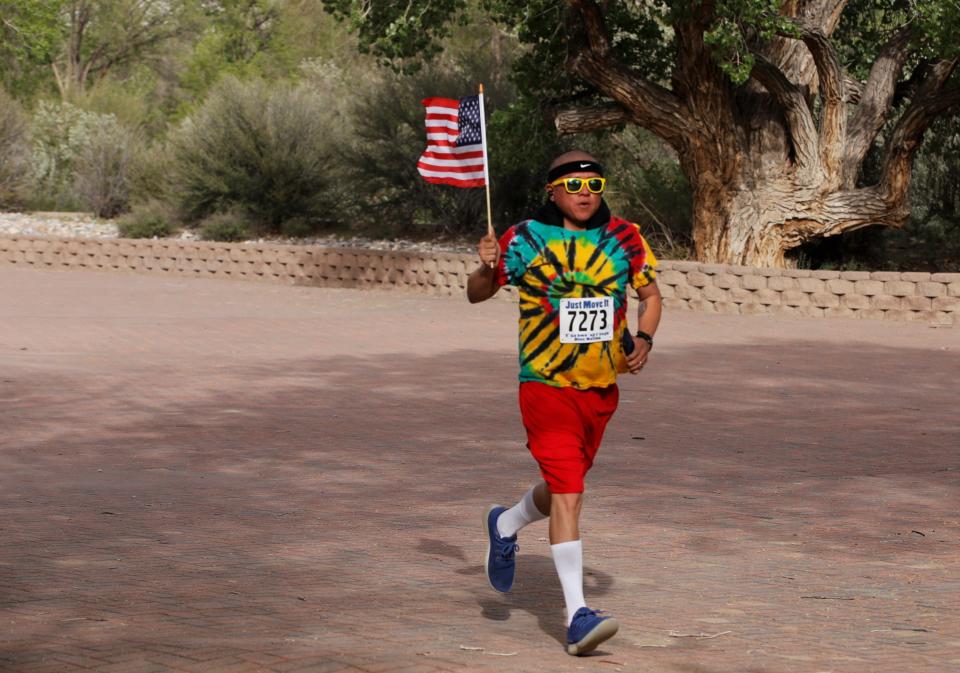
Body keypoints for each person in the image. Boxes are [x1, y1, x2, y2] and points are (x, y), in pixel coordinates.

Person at [467, 150, 662, 656]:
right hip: (545, 385)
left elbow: (651, 296)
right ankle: (576, 616)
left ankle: (505, 523)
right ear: (552, 190)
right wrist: (486, 266)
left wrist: (644, 340)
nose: (584, 192)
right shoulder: (527, 237)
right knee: (571, 492)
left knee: (563, 489)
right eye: (573, 185)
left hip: (601, 390)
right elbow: (477, 293)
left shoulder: (625, 237)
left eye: (594, 183)